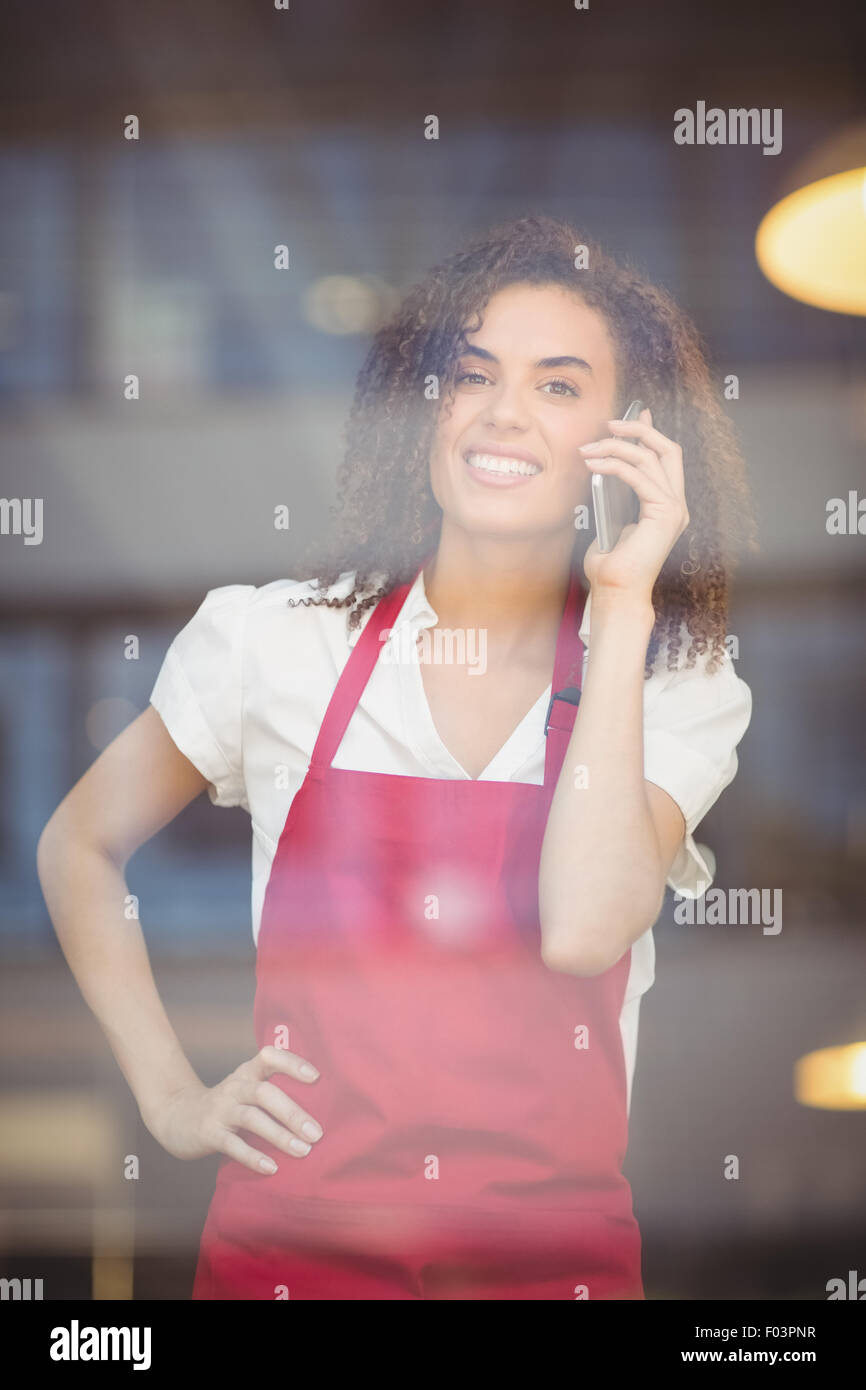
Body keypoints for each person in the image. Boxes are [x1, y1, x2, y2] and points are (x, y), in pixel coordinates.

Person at [37, 214, 753, 1300]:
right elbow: (79, 843)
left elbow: (583, 927)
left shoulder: (670, 686)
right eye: (471, 376)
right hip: (286, 1265)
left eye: (558, 387)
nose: (503, 412)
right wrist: (171, 1096)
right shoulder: (273, 642)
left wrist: (618, 601)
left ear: (625, 440)